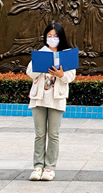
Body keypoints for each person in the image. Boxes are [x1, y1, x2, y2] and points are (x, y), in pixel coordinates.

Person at [26, 21, 76, 182]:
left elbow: (71, 76)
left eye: (55, 36)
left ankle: (49, 168)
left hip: (57, 98)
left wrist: (61, 75)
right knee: (39, 134)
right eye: (49, 36)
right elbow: (29, 72)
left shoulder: (66, 54)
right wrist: (40, 63)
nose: (52, 38)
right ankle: (37, 166)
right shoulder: (41, 52)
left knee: (53, 134)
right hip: (39, 98)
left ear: (61, 37)